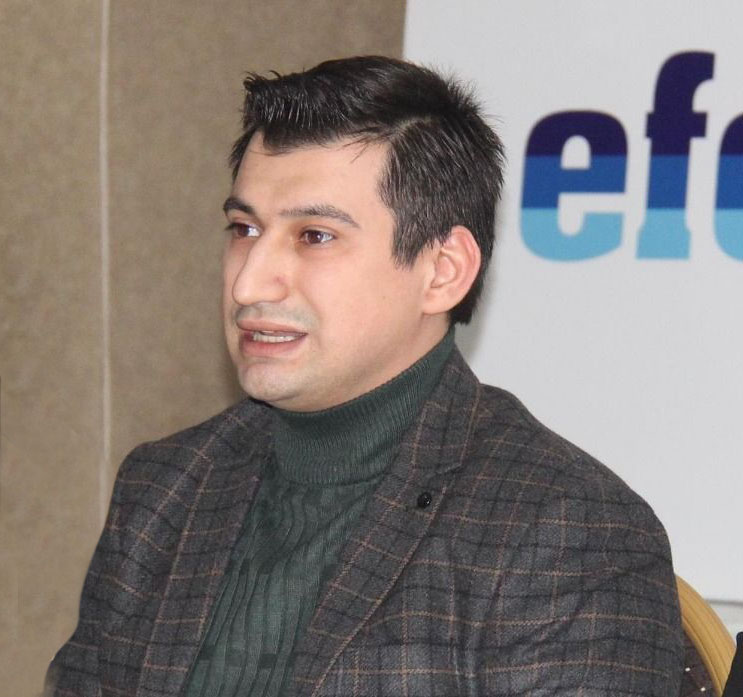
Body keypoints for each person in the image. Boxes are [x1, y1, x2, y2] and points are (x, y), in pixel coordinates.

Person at [47, 56, 683, 697]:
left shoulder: (571, 532)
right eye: (244, 229)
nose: (248, 283)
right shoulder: (165, 488)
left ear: (443, 272)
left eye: (314, 236)